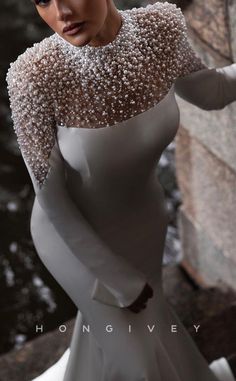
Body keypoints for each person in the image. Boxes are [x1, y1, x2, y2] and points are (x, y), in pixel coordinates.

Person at [5, 0, 236, 380]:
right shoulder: (32, 76)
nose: (61, 11)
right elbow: (54, 201)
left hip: (143, 222)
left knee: (129, 338)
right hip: (72, 239)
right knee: (140, 364)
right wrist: (119, 281)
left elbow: (210, 92)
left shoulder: (160, 27)